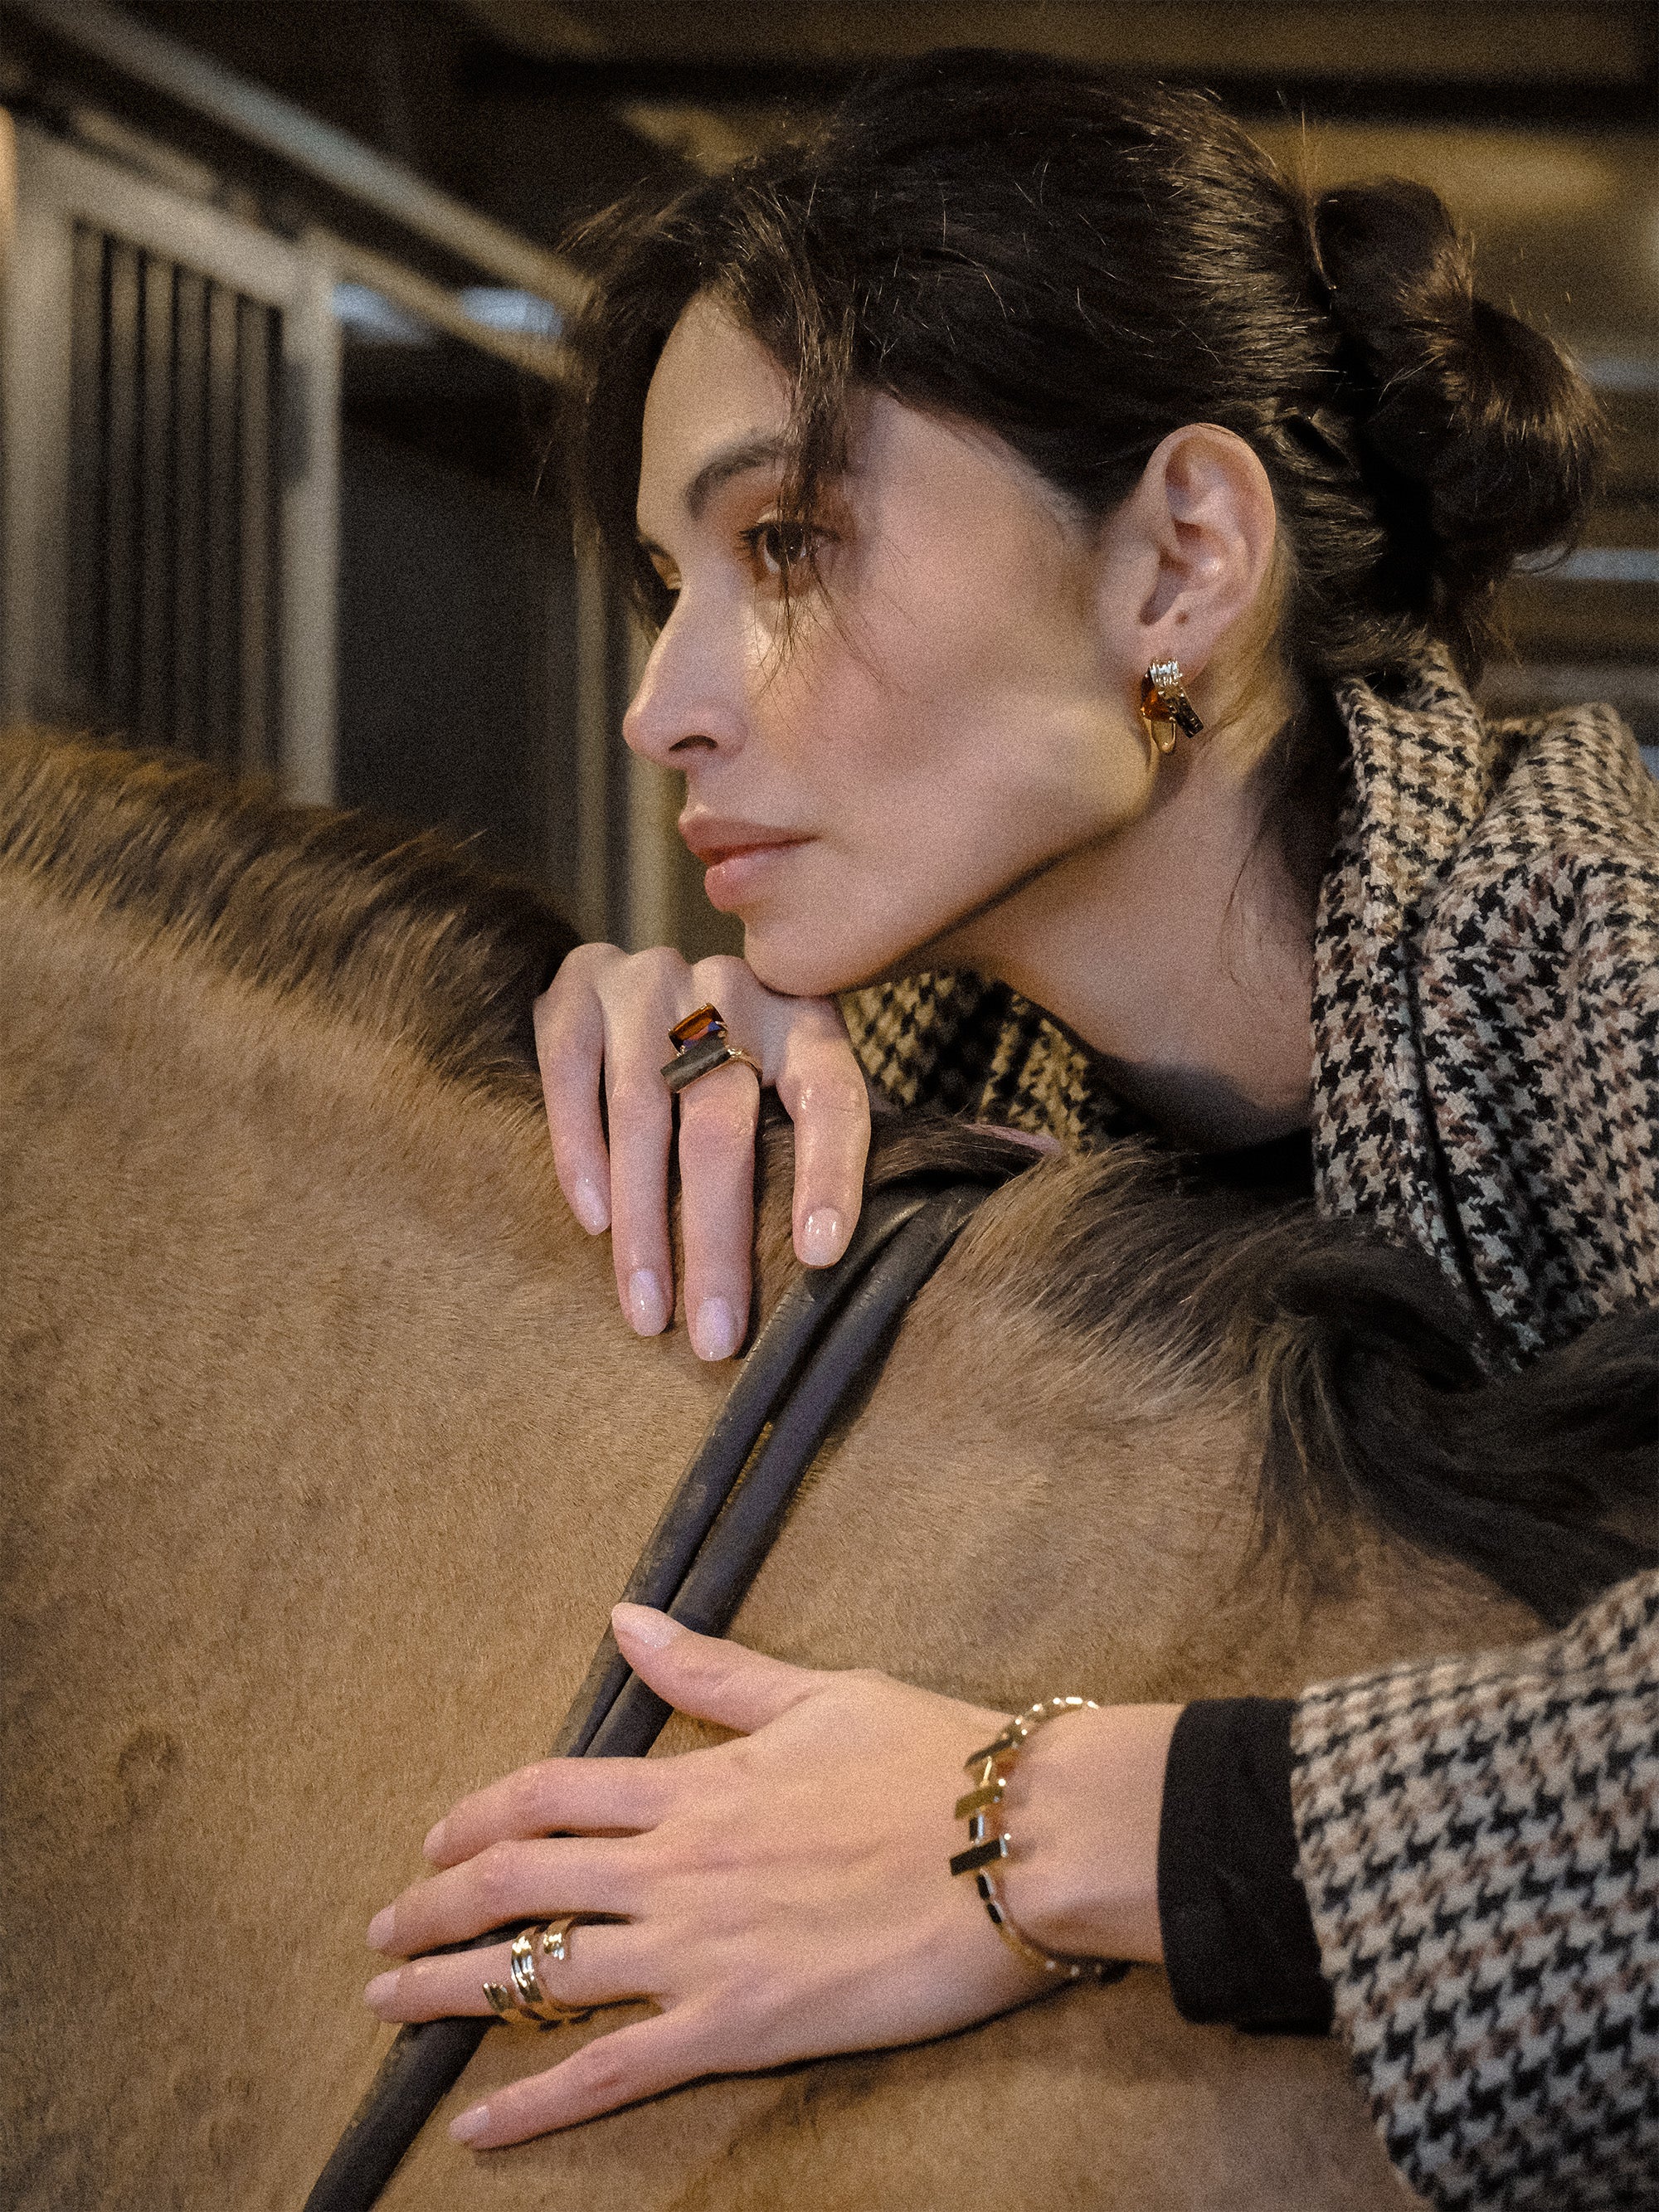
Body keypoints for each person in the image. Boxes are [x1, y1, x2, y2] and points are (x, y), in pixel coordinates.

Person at [362, 52, 1659, 2207]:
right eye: (672, 580)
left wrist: (1031, 1832)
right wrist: (600, 1108)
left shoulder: (1602, 941)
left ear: (1179, 566)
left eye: (787, 543)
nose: (663, 705)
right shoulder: (936, 1082)